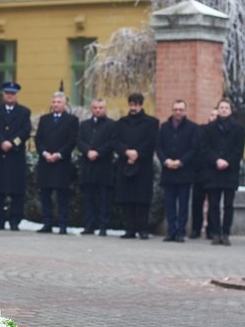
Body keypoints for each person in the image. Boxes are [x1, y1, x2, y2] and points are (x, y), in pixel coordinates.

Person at [0, 82, 32, 231]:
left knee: (16, 191)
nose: (9, 96)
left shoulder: (24, 112)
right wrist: (1, 143)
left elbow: (25, 131)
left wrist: (12, 143)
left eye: (12, 93)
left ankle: (15, 220)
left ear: (16, 95)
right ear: (3, 94)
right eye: (7, 93)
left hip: (15, 156)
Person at [113, 93, 159, 240]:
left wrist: (137, 153)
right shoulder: (121, 123)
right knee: (127, 198)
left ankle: (143, 229)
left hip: (143, 165)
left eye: (136, 105)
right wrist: (126, 152)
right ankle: (129, 229)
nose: (133, 108)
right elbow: (116, 141)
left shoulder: (151, 122)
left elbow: (152, 141)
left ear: (141, 105)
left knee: (142, 199)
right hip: (125, 164)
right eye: (131, 104)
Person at [201, 98, 245, 246]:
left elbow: (239, 150)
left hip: (229, 171)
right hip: (213, 171)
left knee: (228, 205)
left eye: (226, 107)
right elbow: (205, 149)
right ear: (218, 110)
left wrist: (227, 161)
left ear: (230, 110)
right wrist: (216, 160)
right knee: (213, 205)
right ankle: (215, 233)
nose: (224, 109)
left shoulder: (239, 129)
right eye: (221, 107)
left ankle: (225, 233)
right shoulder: (208, 128)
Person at [35, 92, 79, 234]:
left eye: (59, 102)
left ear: (64, 103)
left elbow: (72, 140)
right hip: (45, 162)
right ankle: (47, 223)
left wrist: (59, 154)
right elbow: (38, 139)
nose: (55, 104)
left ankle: (62, 224)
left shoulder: (72, 120)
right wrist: (44, 153)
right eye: (54, 102)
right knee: (45, 195)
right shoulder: (44, 119)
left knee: (62, 195)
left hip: (61, 163)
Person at [157, 99, 199, 242]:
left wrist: (181, 162)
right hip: (168, 172)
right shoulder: (164, 127)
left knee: (183, 205)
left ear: (185, 111)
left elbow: (194, 149)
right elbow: (159, 147)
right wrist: (165, 161)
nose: (178, 112)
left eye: (181, 109)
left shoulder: (193, 128)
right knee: (169, 204)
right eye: (175, 109)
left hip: (184, 173)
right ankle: (171, 231)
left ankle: (181, 232)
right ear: (172, 110)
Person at [78, 98, 117, 236]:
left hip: (104, 167)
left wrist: (98, 152)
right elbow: (79, 140)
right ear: (91, 109)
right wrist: (87, 151)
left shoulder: (112, 125)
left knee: (104, 199)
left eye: (100, 107)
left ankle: (103, 226)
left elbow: (112, 143)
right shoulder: (84, 125)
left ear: (105, 109)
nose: (98, 110)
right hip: (88, 166)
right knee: (88, 199)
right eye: (95, 107)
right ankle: (89, 225)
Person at [190, 108, 218, 239]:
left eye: (216, 115)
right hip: (199, 172)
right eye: (212, 115)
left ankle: (211, 230)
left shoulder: (221, 133)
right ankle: (196, 228)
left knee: (213, 204)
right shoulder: (201, 130)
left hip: (214, 173)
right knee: (197, 202)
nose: (213, 117)